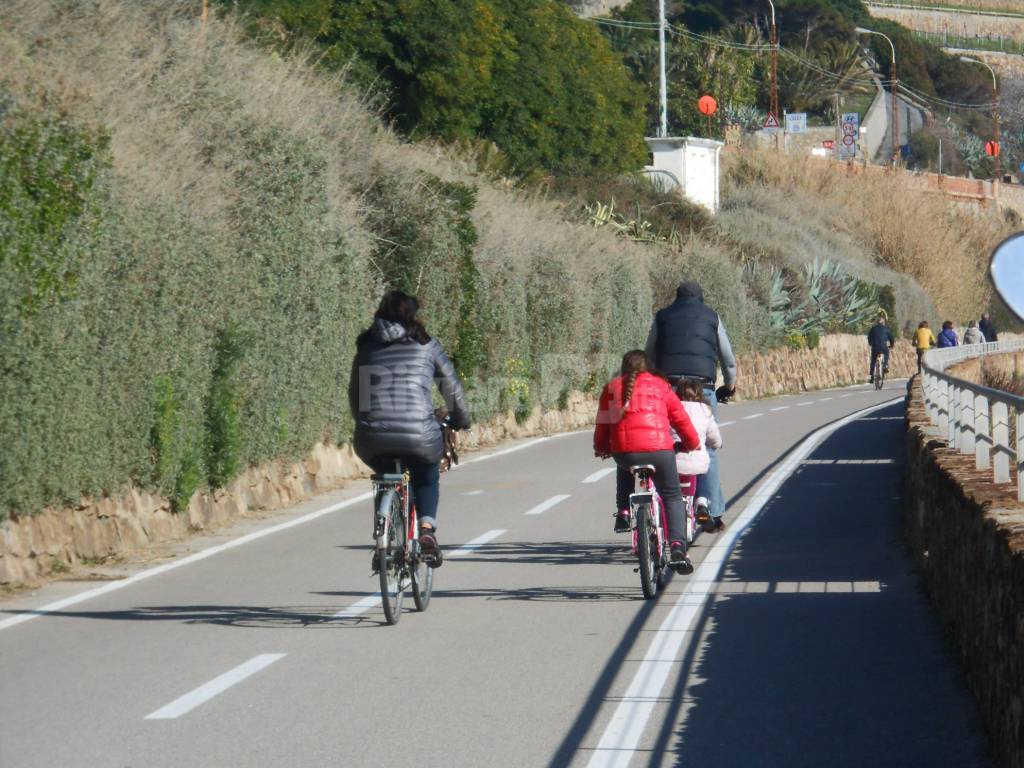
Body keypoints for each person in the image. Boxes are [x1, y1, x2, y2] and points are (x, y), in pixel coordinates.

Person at [349, 290, 471, 566]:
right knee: (427, 475)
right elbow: (451, 389)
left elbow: (356, 394)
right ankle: (426, 531)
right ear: (412, 316)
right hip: (419, 435)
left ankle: (384, 535)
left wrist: (364, 423)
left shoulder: (367, 346)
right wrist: (461, 419)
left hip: (372, 437)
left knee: (384, 475)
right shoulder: (426, 345)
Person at [593, 350, 700, 573]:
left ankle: (623, 510)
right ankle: (678, 547)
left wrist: (602, 448)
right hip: (660, 451)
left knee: (623, 465)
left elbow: (603, 425)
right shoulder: (661, 386)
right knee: (672, 496)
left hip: (625, 454)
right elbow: (680, 418)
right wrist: (692, 443)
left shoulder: (611, 387)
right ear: (647, 367)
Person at [645, 281, 736, 532]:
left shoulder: (662, 316)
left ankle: (667, 505)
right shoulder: (712, 317)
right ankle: (711, 509)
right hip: (702, 388)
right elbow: (727, 358)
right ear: (701, 297)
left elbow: (649, 353)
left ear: (676, 297)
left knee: (667, 443)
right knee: (707, 445)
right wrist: (730, 384)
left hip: (669, 388)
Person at [673, 380, 723, 525]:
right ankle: (701, 502)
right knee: (704, 468)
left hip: (673, 461)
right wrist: (717, 444)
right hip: (696, 460)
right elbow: (715, 439)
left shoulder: (672, 409)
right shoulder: (705, 410)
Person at [867, 315, 895, 384]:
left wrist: (871, 343)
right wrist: (891, 345)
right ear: (883, 322)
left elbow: (869, 337)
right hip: (883, 347)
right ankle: (885, 365)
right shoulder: (886, 329)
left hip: (875, 347)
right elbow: (892, 338)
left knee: (873, 360)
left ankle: (871, 376)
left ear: (877, 322)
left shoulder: (873, 329)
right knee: (887, 353)